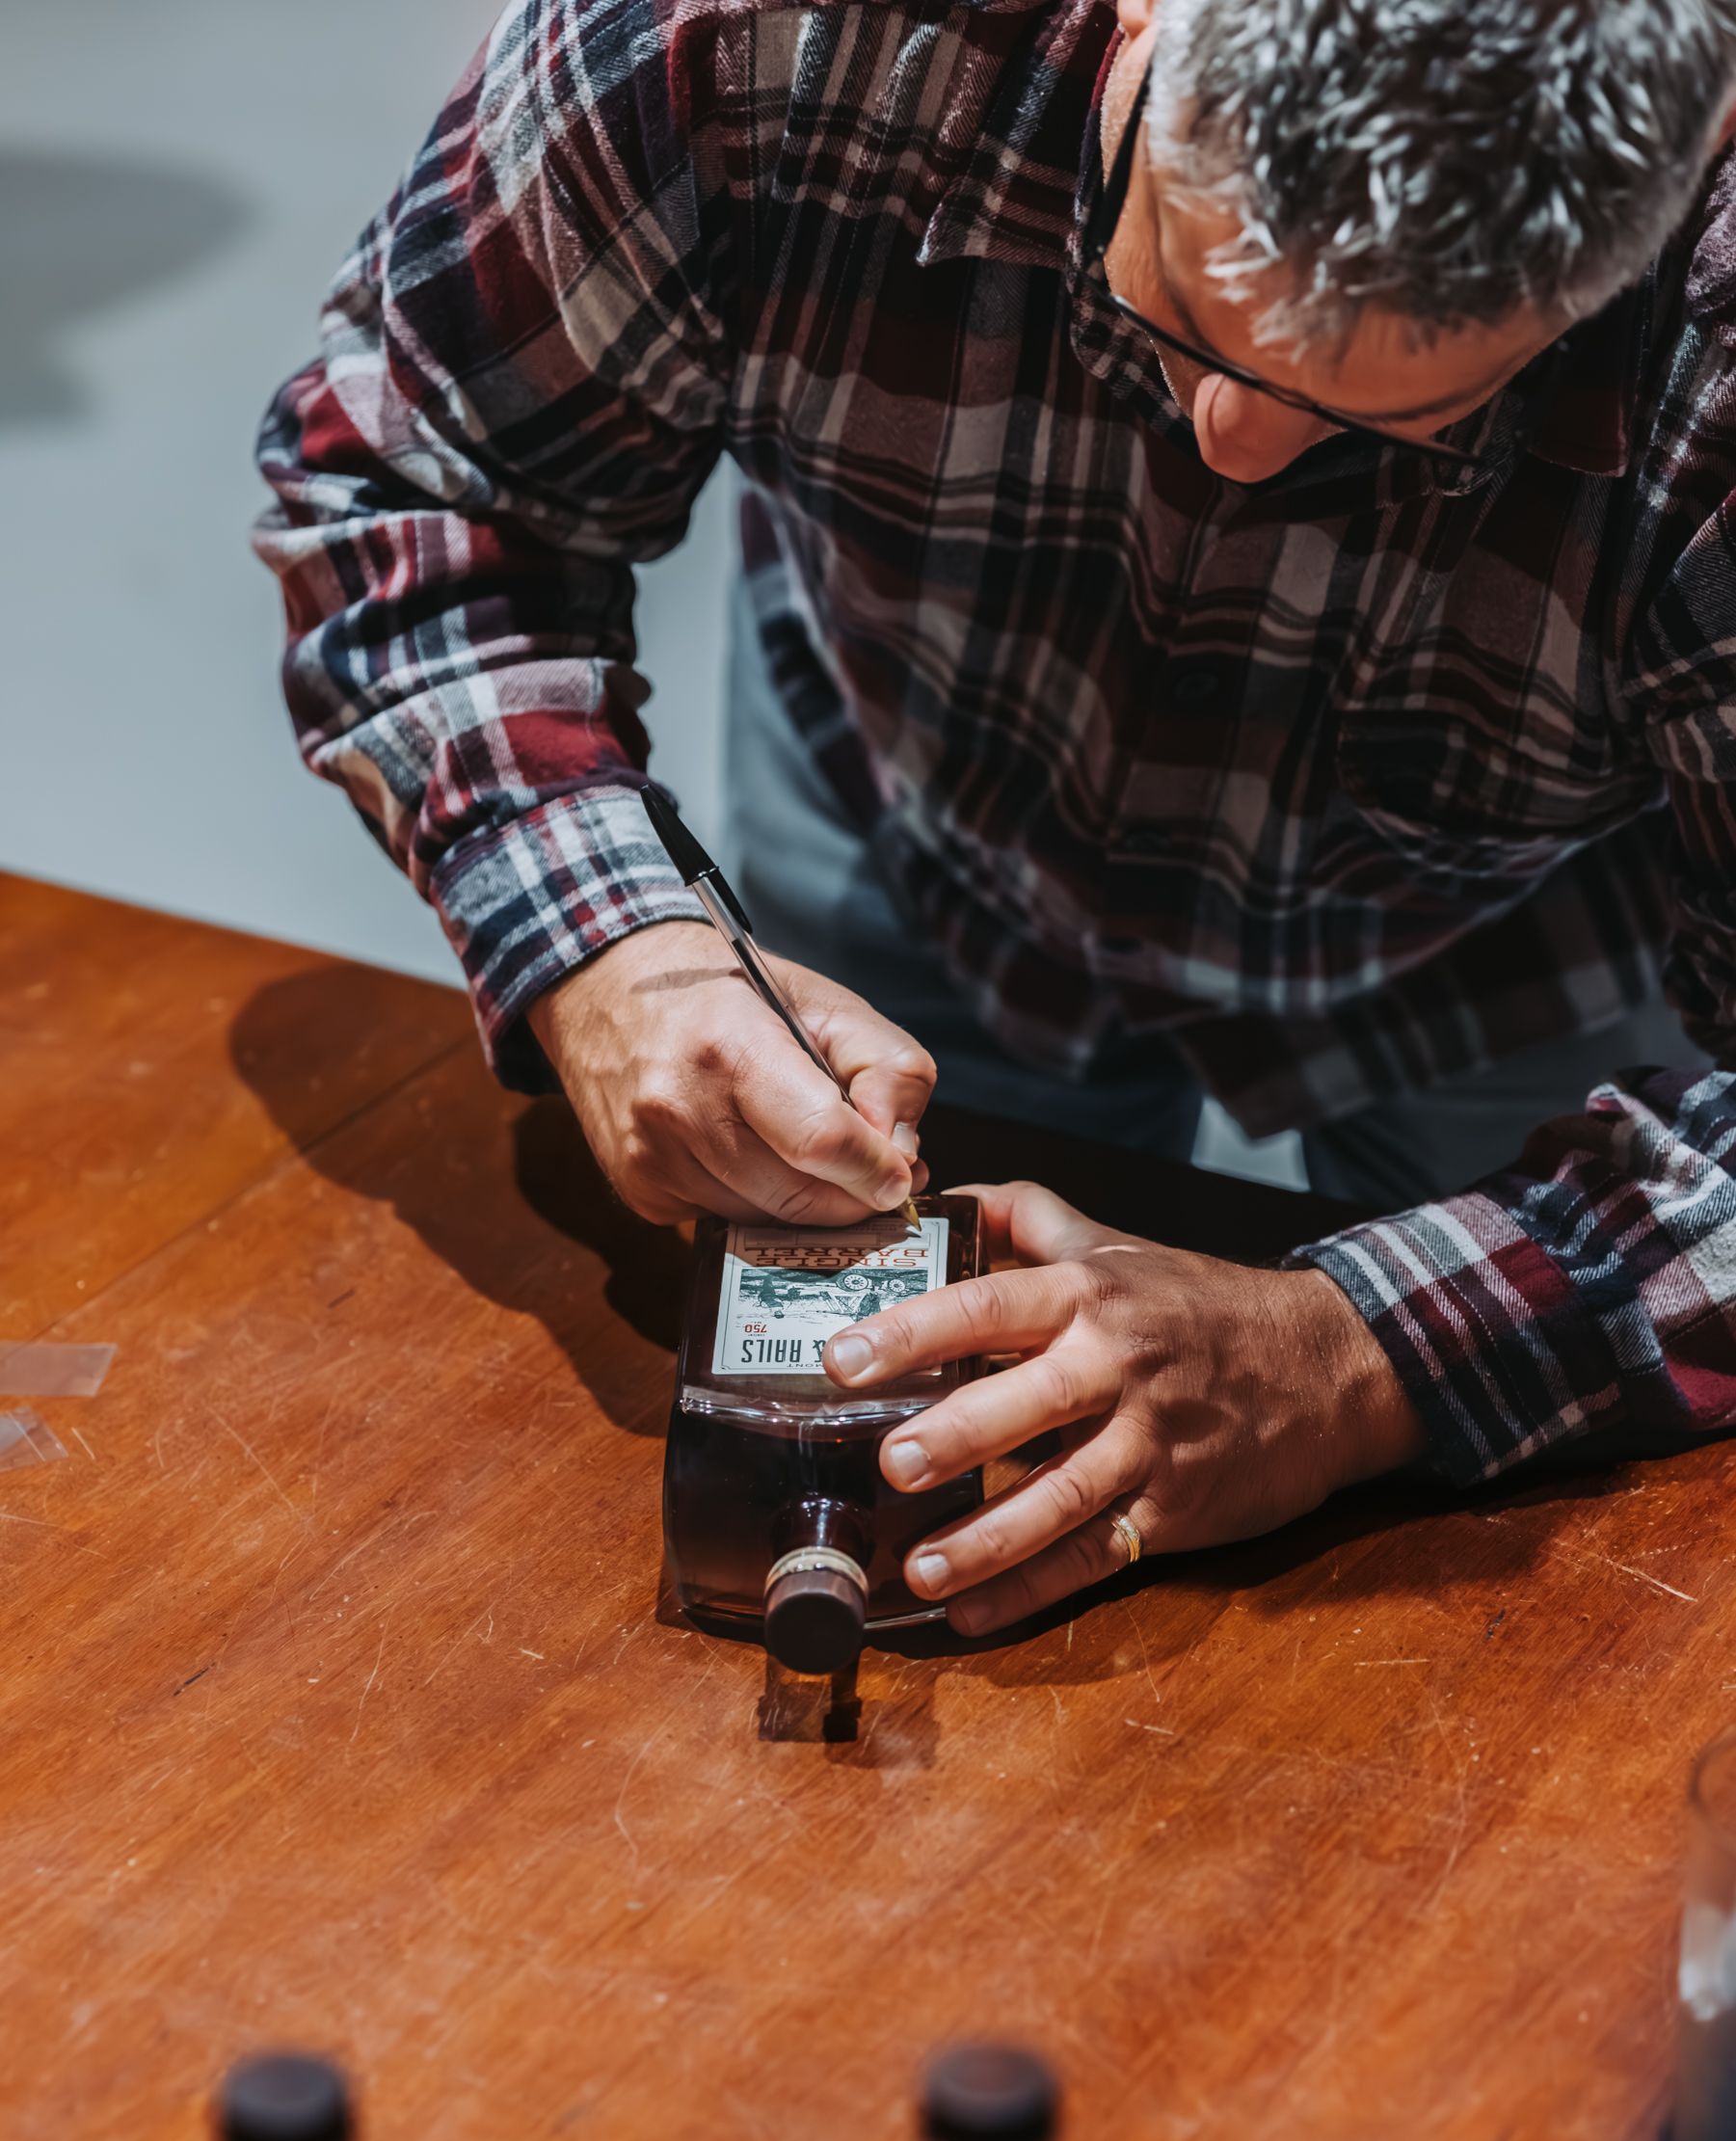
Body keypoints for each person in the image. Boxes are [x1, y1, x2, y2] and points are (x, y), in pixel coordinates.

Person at [256, 0, 1736, 1643]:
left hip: (1508, 939)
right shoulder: (750, 33)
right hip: (913, 800)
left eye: (1397, 414)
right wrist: (607, 943)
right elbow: (423, 485)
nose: (1234, 444)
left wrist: (1367, 1352)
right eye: (1183, 292)